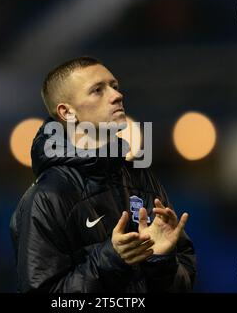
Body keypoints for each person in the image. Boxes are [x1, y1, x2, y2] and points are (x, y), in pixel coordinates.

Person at [10, 56, 196, 292]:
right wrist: (111, 260)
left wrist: (161, 261)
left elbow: (184, 284)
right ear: (67, 112)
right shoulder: (47, 196)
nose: (117, 96)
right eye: (98, 90)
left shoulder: (142, 178)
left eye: (114, 86)